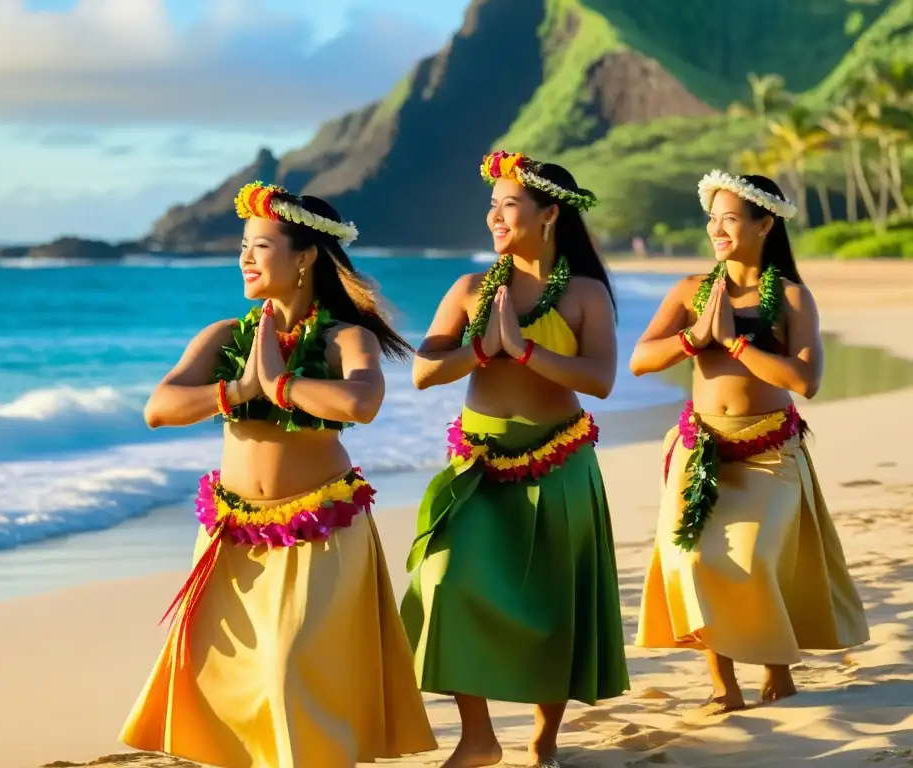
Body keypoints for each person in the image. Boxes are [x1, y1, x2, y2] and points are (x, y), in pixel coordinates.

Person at [119, 182, 437, 767]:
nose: (244, 257)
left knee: (291, 669)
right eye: (243, 244)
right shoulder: (224, 338)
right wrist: (241, 387)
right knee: (227, 678)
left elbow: (361, 403)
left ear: (306, 256)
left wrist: (283, 385)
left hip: (320, 533)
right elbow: (158, 409)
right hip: (232, 538)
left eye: (259, 245)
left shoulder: (348, 338)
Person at [401, 151, 630, 768]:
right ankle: (477, 738)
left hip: (558, 464)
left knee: (552, 603)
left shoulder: (584, 294)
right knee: (444, 582)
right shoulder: (471, 289)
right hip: (477, 467)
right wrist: (482, 348)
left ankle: (544, 741)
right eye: (492, 204)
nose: (494, 216)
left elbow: (601, 378)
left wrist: (525, 351)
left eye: (508, 204)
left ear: (550, 213)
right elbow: (425, 370)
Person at [631, 170, 869, 715]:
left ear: (765, 224)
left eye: (730, 219)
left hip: (768, 453)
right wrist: (694, 338)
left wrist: (735, 345)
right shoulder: (691, 291)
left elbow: (805, 381)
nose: (716, 228)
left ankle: (776, 670)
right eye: (712, 217)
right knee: (689, 556)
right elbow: (640, 359)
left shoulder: (790, 298)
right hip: (701, 447)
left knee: (753, 559)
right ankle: (723, 685)